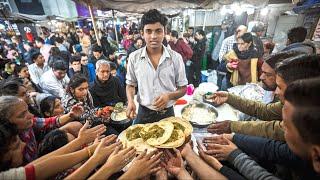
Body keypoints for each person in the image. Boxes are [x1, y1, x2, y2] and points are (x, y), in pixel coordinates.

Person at [209, 54, 320, 141]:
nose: (261, 77)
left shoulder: (305, 117)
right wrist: (229, 97)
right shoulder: (287, 102)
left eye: (268, 74)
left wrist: (233, 130)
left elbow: (273, 131)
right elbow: (265, 110)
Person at [126, 9, 187, 124]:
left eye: (158, 31)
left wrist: (169, 96)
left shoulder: (176, 58)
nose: (153, 36)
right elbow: (130, 85)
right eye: (148, 31)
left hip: (168, 113)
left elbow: (183, 88)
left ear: (165, 32)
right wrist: (130, 101)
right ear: (142, 33)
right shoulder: (134, 58)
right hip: (143, 113)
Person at [217, 25, 247, 90]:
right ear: (236, 33)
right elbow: (221, 58)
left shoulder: (247, 45)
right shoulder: (227, 41)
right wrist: (228, 64)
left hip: (242, 79)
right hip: (228, 75)